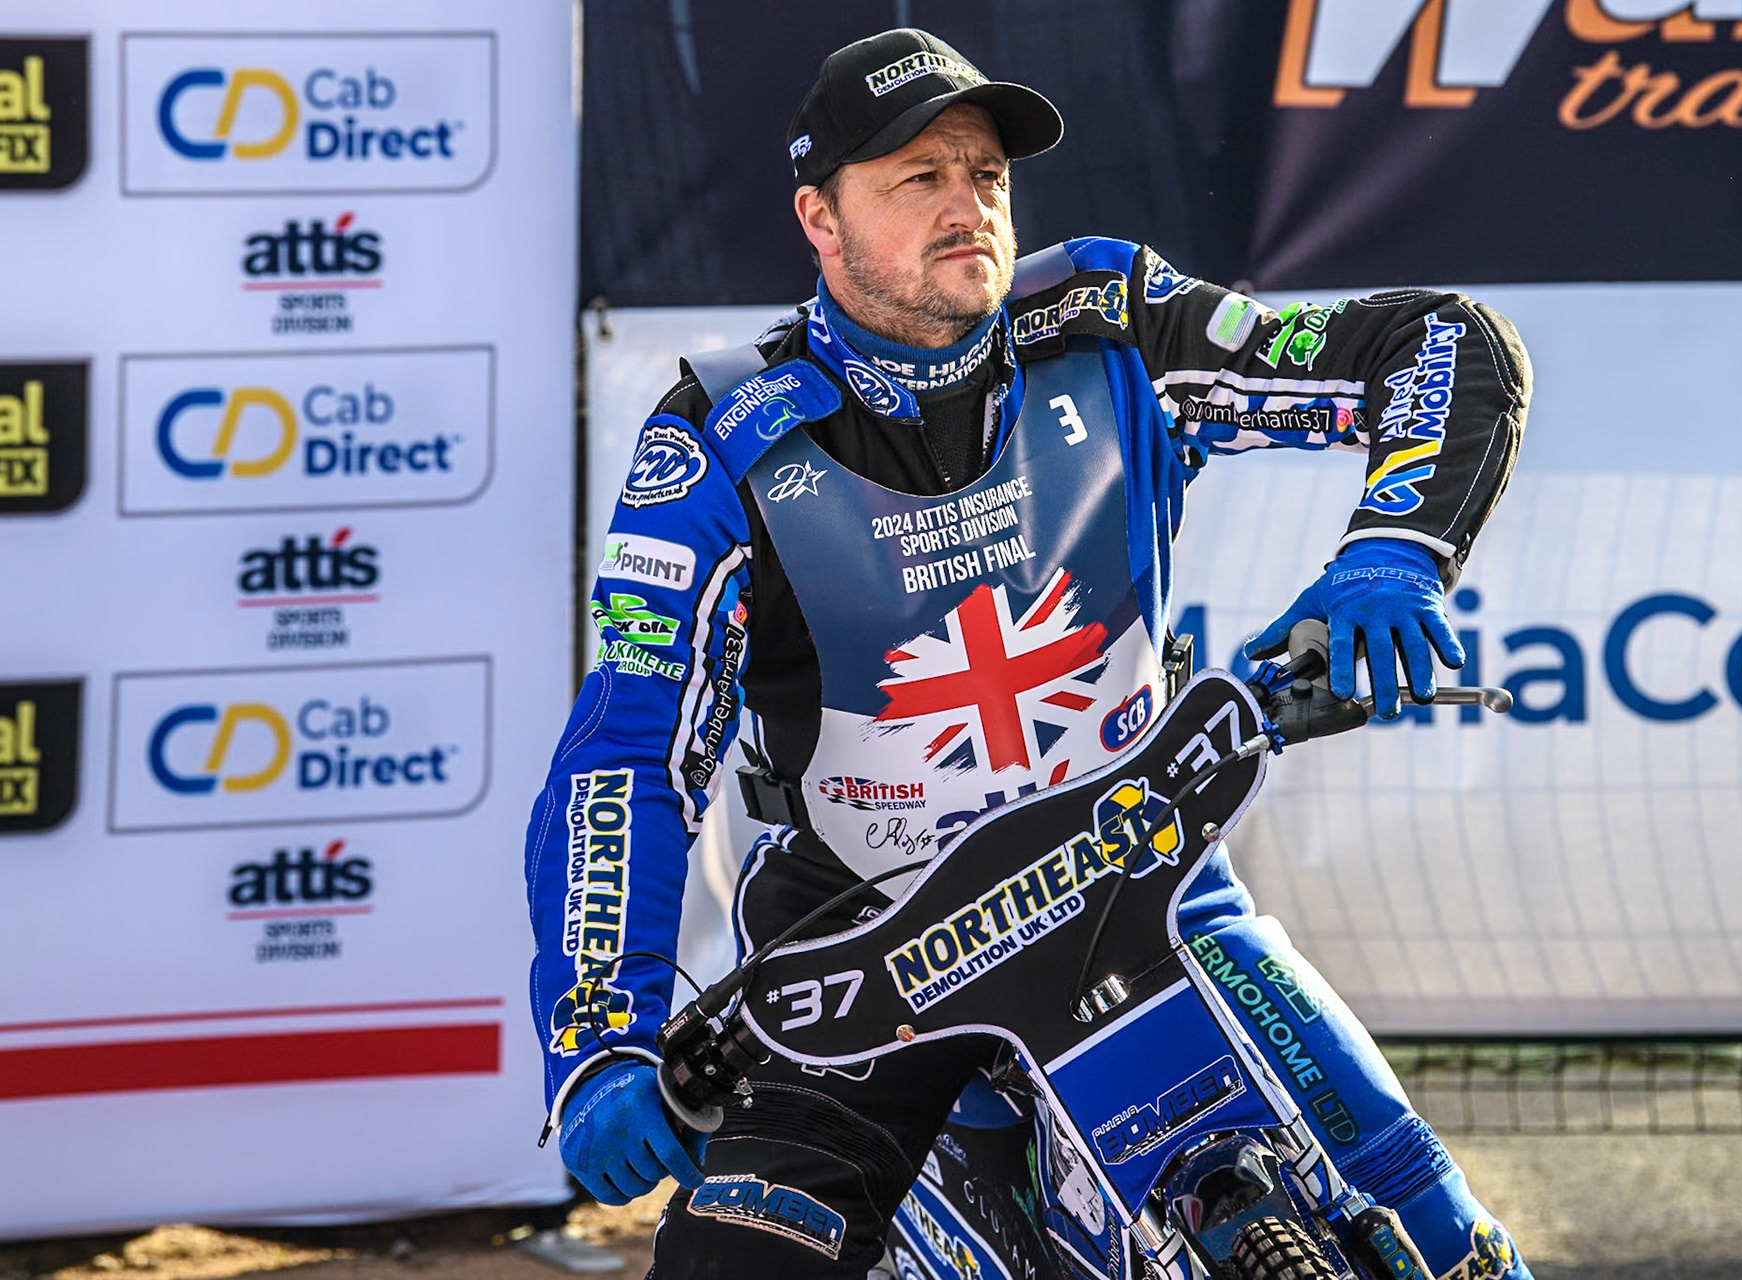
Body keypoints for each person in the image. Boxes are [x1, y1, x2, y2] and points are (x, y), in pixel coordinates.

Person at [526, 27, 1534, 1280]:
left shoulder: (1111, 322)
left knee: (1440, 1239)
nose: (968, 206)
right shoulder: (717, 440)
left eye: (986, 176)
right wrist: (598, 1031)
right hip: (868, 954)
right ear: (819, 220)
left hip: (1144, 883)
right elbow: (628, 753)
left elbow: (1441, 344)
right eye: (919, 178)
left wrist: (1392, 553)